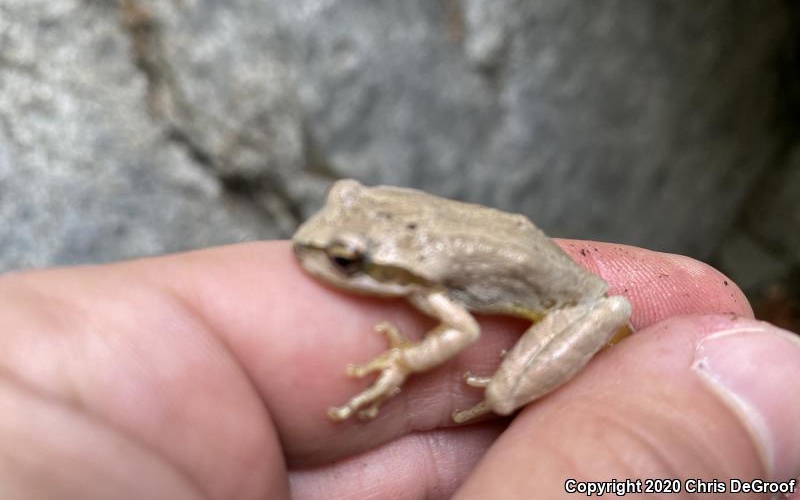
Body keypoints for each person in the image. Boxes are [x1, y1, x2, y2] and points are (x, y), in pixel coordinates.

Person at [0, 240, 797, 499]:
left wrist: (401, 361)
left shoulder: (431, 292)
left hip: (582, 302)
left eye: (346, 259)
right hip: (542, 269)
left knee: (509, 386)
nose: (318, 255)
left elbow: (451, 334)